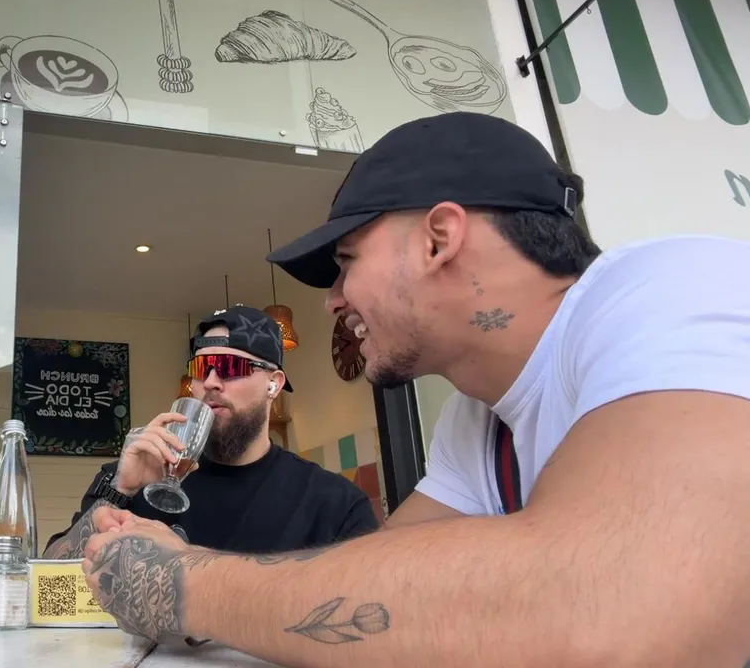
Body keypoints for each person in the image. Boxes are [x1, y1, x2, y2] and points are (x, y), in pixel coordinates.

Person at [77, 112, 750, 667]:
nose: (333, 301)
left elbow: (621, 610)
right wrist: (164, 554)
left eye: (346, 262)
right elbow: (376, 587)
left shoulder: (671, 289)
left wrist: (186, 584)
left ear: (438, 239)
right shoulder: (475, 421)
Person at [45, 305, 378, 560]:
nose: (211, 382)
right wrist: (122, 490)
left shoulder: (331, 503)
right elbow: (53, 573)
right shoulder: (138, 473)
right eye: (201, 368)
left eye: (231, 367)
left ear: (273, 384)